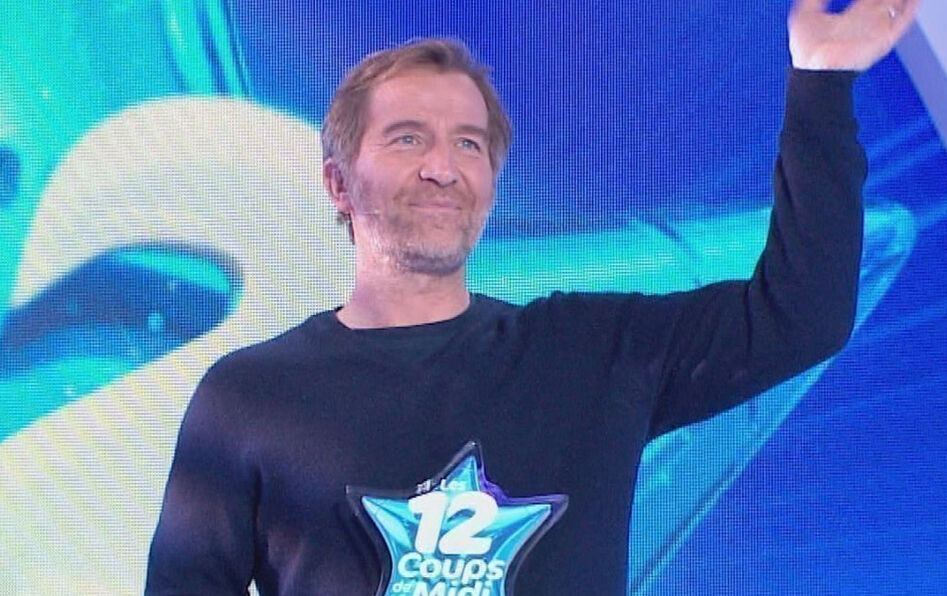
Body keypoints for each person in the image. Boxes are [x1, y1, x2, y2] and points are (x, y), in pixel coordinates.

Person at [146, 0, 921, 593]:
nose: (442, 167)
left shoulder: (595, 351)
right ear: (337, 184)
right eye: (407, 138)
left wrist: (821, 83)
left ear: (489, 187)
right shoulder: (246, 397)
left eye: (468, 143)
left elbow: (801, 315)